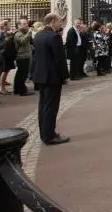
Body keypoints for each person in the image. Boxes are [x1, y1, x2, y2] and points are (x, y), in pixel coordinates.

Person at [32, 13, 70, 145]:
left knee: (43, 106)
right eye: (59, 21)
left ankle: (44, 133)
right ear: (52, 21)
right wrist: (65, 76)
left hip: (41, 75)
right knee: (51, 107)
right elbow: (60, 59)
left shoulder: (38, 35)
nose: (61, 24)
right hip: (52, 76)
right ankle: (50, 135)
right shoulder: (54, 37)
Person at [13, 18, 35, 96]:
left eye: (26, 23)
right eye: (24, 24)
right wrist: (29, 32)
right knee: (22, 74)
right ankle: (22, 90)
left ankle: (17, 89)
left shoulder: (24, 33)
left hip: (25, 56)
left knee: (21, 73)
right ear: (19, 25)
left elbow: (30, 42)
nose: (27, 25)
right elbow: (23, 41)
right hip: (22, 56)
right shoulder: (18, 34)